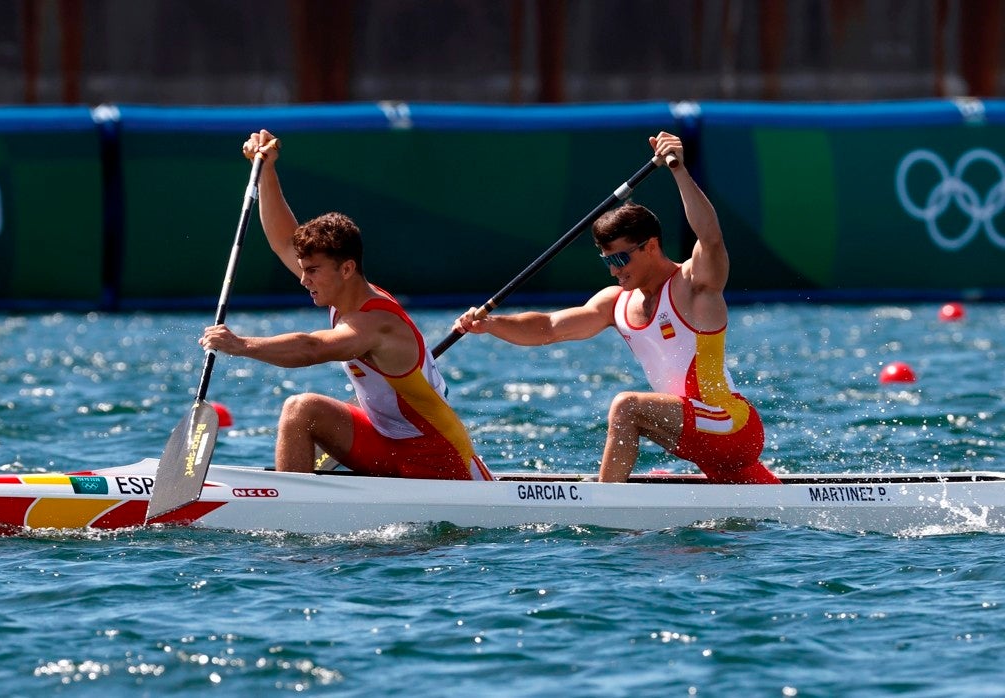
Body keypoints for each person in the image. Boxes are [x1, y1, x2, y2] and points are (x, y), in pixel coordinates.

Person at [453, 131, 780, 485]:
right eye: (607, 260)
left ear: (650, 246)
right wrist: (490, 324)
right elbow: (549, 327)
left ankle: (604, 501)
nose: (614, 270)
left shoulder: (692, 285)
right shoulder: (615, 303)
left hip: (731, 424)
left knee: (627, 406)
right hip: (695, 435)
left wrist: (679, 171)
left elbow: (711, 238)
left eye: (621, 257)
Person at [199, 129, 492, 481]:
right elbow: (281, 241)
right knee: (301, 412)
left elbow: (312, 349)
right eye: (304, 270)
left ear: (347, 268)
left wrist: (241, 345)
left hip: (440, 462)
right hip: (390, 444)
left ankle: (290, 509)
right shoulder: (338, 290)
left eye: (313, 271)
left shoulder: (376, 322)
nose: (304, 280)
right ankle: (294, 509)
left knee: (299, 404)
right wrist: (267, 169)